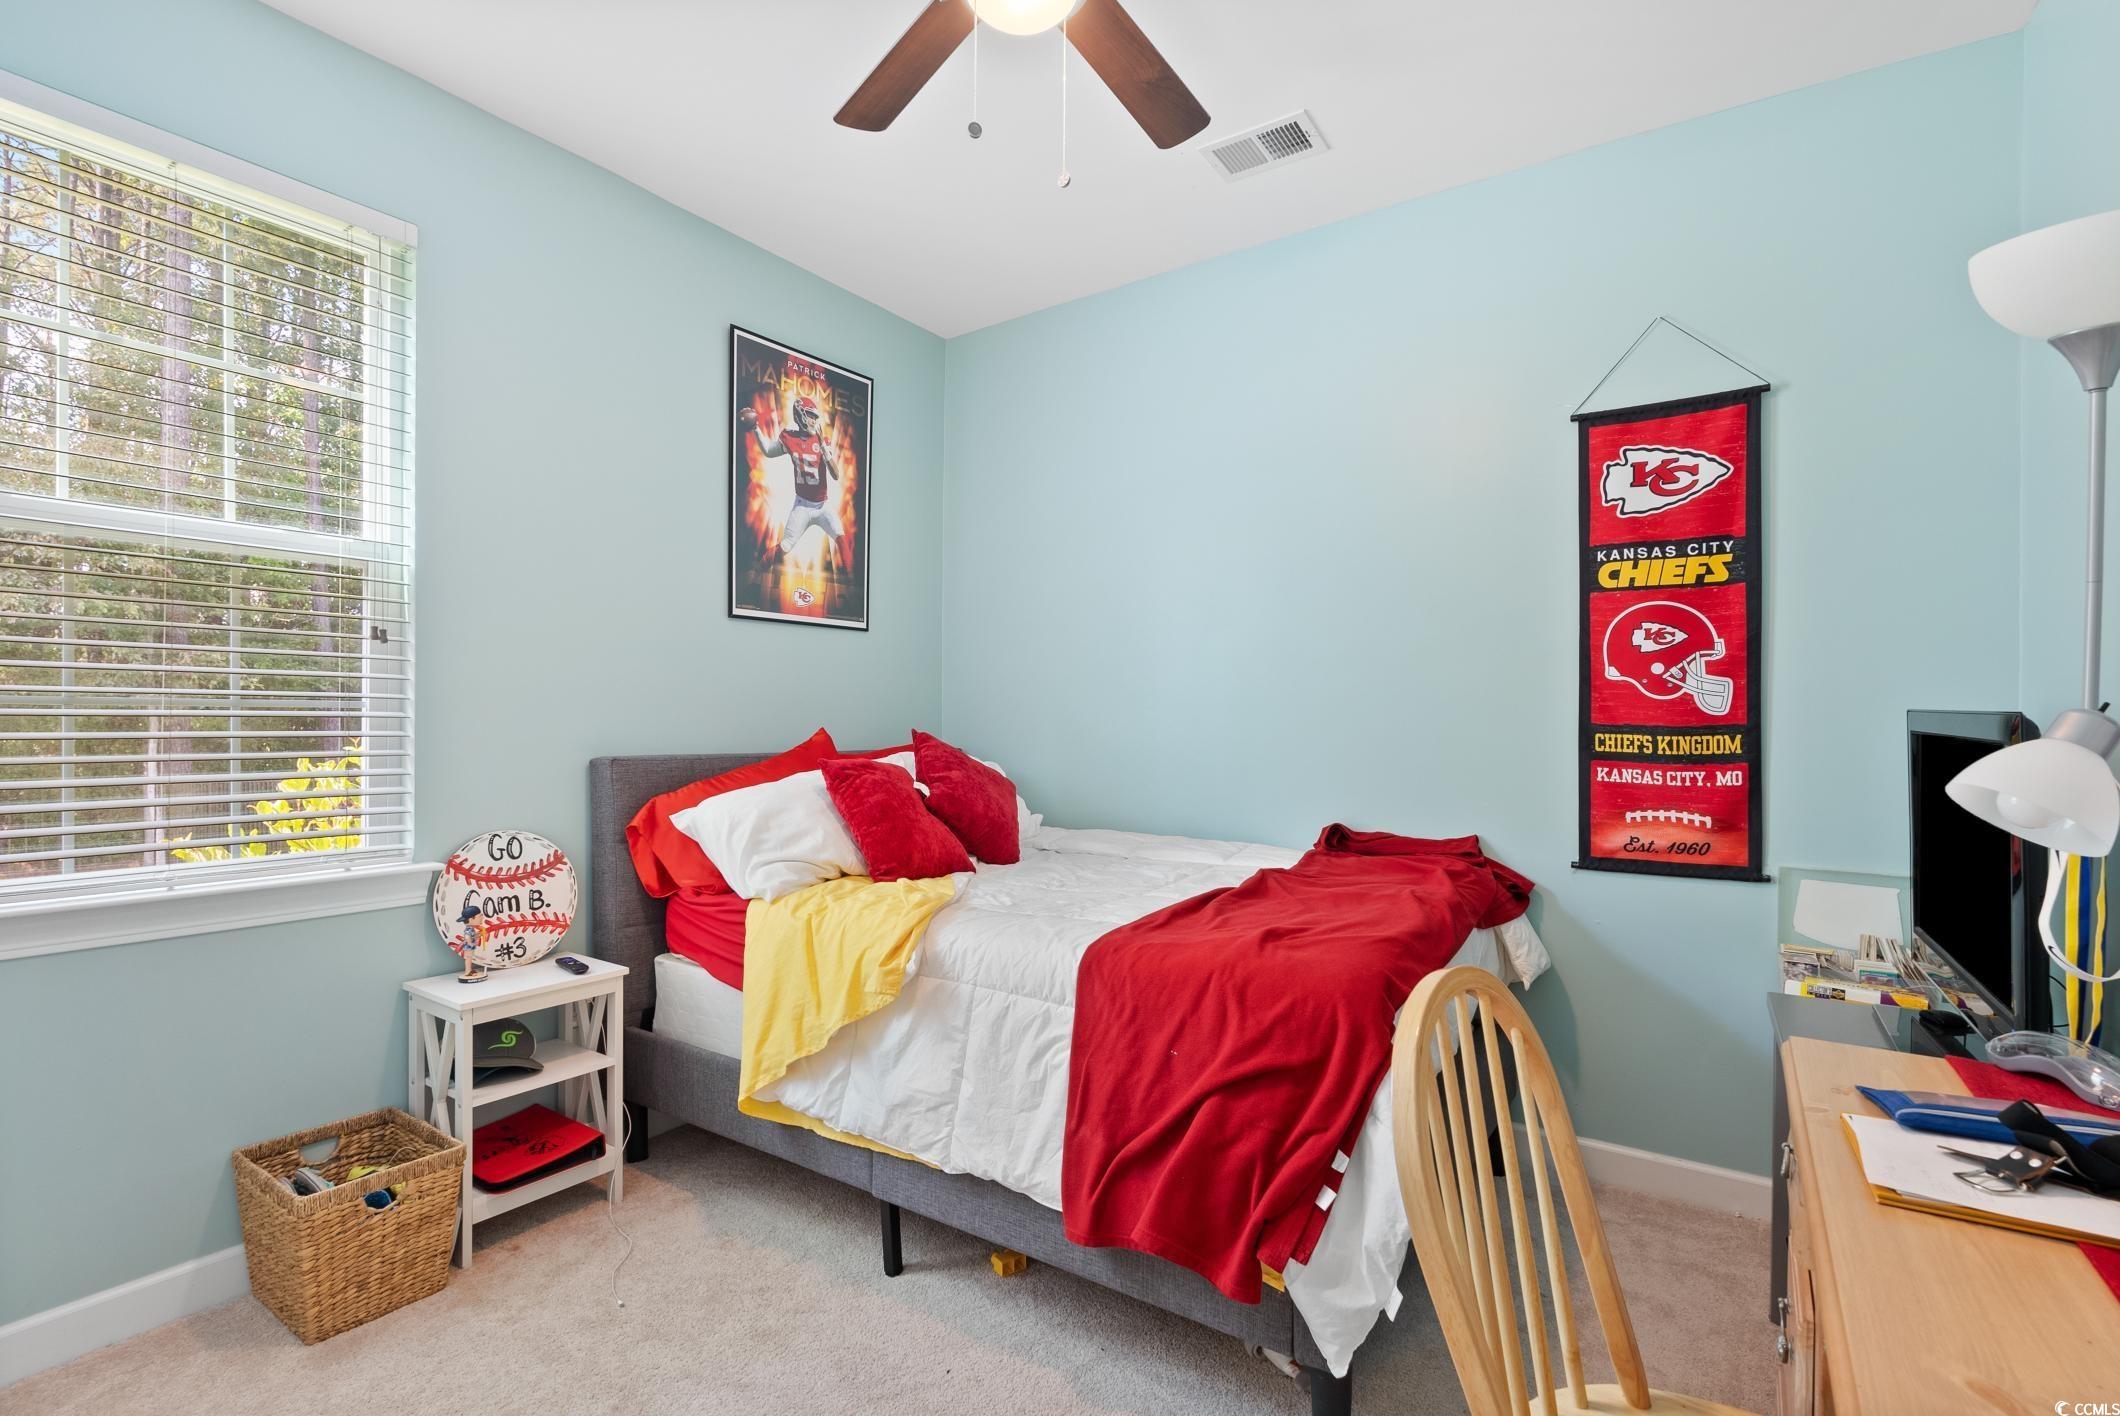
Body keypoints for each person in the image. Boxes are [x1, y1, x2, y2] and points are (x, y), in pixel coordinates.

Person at [739, 396, 852, 572]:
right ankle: (756, 575)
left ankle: (855, 584)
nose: (814, 420)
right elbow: (768, 451)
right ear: (800, 414)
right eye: (810, 415)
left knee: (842, 540)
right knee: (785, 546)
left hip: (823, 505)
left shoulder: (823, 440)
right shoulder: (789, 437)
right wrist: (756, 429)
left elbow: (836, 475)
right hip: (802, 505)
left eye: (815, 417)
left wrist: (823, 446)